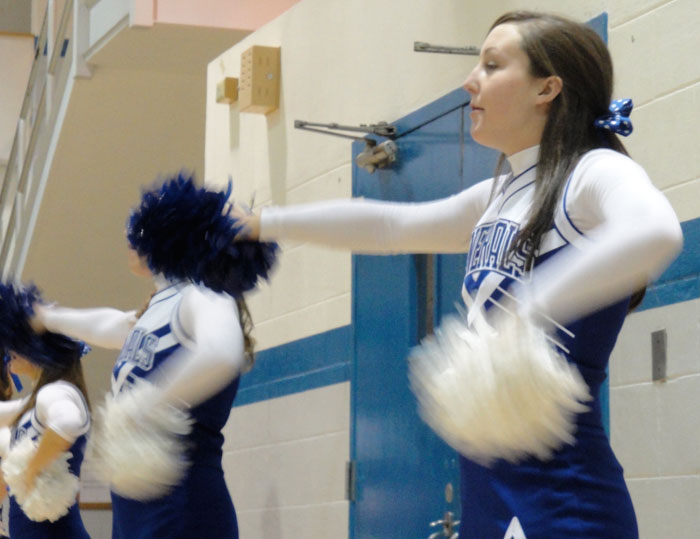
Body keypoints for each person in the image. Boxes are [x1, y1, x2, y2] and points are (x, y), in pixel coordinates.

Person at [234, 11, 683, 538]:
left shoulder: (592, 172)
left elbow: (658, 233)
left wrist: (527, 312)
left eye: (492, 65)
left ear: (548, 88)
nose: (470, 80)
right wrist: (264, 222)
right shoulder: (500, 194)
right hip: (486, 489)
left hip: (566, 497)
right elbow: (390, 226)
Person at [31, 174, 277, 539]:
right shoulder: (155, 309)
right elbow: (109, 325)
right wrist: (44, 315)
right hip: (134, 508)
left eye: (138, 229)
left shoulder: (205, 296)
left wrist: (143, 407)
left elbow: (222, 355)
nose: (129, 238)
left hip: (184, 503)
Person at [0, 283, 92, 539]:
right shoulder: (35, 402)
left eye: (19, 343)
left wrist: (30, 472)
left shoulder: (58, 392)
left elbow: (68, 423)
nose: (10, 351)